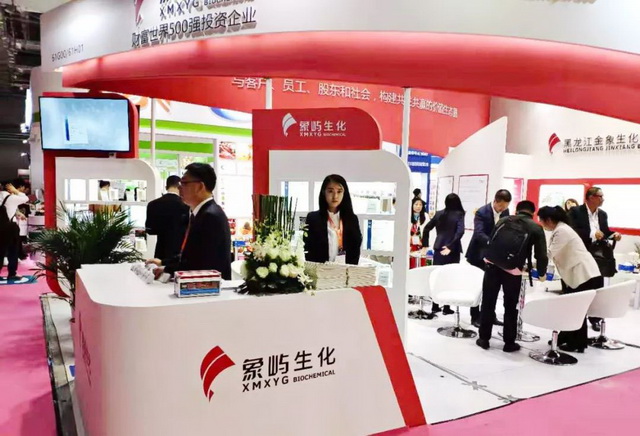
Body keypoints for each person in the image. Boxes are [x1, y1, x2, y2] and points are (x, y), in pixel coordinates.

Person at [476, 200, 548, 353]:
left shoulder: (503, 220)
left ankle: (483, 338)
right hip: (513, 271)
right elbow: (541, 254)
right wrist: (542, 273)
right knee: (510, 306)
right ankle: (509, 343)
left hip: (492, 266)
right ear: (533, 212)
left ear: (516, 209)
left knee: (488, 302)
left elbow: (491, 241)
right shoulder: (535, 228)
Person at [147, 163, 232, 279]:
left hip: (209, 285)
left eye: (184, 183)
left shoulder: (210, 216)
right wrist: (163, 263)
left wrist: (167, 268)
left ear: (200, 186)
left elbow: (199, 262)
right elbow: (190, 254)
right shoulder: (201, 213)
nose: (179, 188)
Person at [538, 206, 602, 352]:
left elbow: (549, 253)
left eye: (541, 220)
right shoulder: (562, 229)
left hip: (583, 274)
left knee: (576, 309)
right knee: (573, 307)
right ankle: (566, 337)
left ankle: (577, 343)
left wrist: (532, 261)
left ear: (548, 220)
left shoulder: (562, 231)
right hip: (579, 273)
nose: (541, 224)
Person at [568, 187, 621, 332]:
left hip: (598, 256)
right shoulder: (575, 212)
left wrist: (613, 235)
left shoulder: (602, 214)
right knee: (581, 287)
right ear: (591, 197)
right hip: (580, 253)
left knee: (597, 287)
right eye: (600, 196)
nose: (603, 199)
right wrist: (592, 234)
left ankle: (595, 318)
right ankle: (577, 319)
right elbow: (571, 230)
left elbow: (605, 232)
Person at [465, 189, 512, 327]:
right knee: (477, 287)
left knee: (492, 288)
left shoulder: (506, 212)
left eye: (506, 206)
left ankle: (490, 316)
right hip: (478, 254)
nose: (503, 209)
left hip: (495, 257)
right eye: (501, 206)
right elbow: (479, 233)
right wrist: (492, 244)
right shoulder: (482, 212)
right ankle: (475, 317)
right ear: (495, 201)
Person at [422, 193, 465, 315]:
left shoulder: (439, 213)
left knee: (437, 277)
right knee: (450, 278)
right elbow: (460, 232)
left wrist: (425, 245)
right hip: (453, 249)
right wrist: (450, 246)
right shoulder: (459, 214)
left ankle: (435, 306)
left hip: (439, 248)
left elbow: (426, 228)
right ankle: (446, 307)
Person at [304, 174, 362, 265]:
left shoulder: (352, 219)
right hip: (320, 270)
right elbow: (308, 250)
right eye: (330, 191)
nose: (335, 196)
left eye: (339, 191)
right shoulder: (313, 218)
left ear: (344, 193)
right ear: (324, 192)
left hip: (345, 270)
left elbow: (355, 249)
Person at [145, 175, 190, 260]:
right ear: (180, 187)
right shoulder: (185, 206)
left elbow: (150, 230)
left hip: (161, 249)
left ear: (166, 187)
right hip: (178, 250)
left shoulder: (153, 204)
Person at [0, 179, 29, 280]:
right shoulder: (11, 198)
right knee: (13, 250)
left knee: (0, 251)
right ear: (9, 187)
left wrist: (17, 213)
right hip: (9, 227)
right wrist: (16, 191)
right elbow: (25, 198)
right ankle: (12, 273)